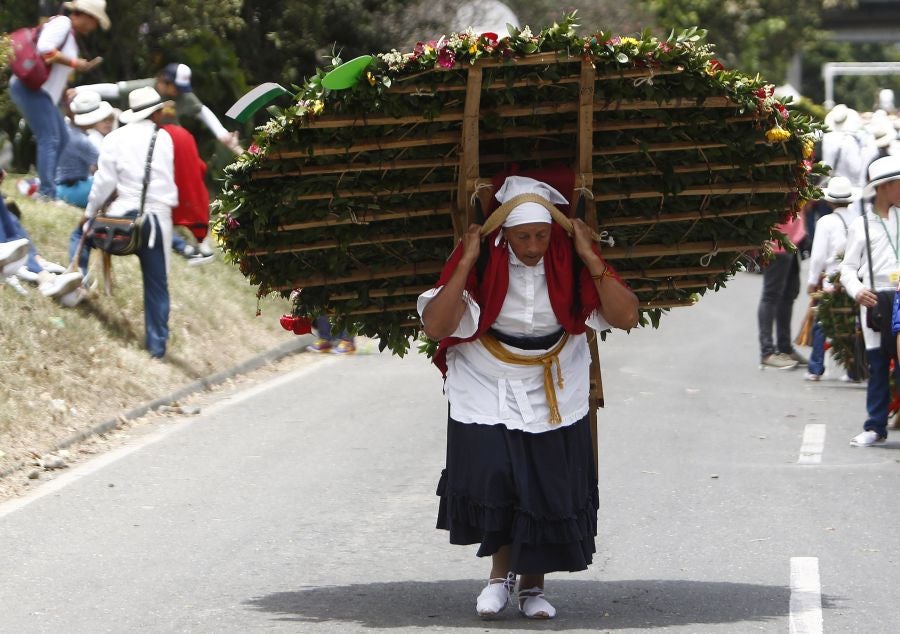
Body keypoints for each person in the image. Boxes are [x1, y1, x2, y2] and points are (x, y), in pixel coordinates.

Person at [417, 175, 639, 620]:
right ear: (505, 234)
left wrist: (588, 255)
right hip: (486, 374)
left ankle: (533, 589)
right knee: (498, 476)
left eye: (541, 235)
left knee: (544, 485)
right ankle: (498, 580)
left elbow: (627, 315)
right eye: (523, 236)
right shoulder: (486, 262)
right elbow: (437, 327)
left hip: (555, 377)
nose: (534, 245)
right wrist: (466, 260)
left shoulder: (567, 260)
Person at [83, 87, 178, 358]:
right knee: (157, 285)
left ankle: (77, 281)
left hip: (120, 219)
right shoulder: (165, 138)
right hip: (157, 220)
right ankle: (157, 347)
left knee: (82, 236)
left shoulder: (114, 138)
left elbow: (104, 182)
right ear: (157, 112)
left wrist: (90, 214)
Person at [8, 0, 110, 201]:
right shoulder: (63, 23)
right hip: (30, 89)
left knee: (62, 137)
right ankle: (47, 193)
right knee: (50, 138)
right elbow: (45, 49)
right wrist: (75, 63)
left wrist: (64, 94)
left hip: (43, 95)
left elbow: (54, 71)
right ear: (85, 16)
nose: (95, 27)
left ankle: (46, 186)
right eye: (95, 21)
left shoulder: (70, 35)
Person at [840, 155, 900, 446]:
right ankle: (875, 427)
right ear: (885, 187)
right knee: (879, 365)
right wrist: (857, 290)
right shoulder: (860, 226)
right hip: (875, 300)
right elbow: (847, 269)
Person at [71, 63, 243, 155]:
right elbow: (113, 89)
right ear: (162, 80)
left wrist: (221, 133)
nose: (177, 92)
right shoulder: (146, 87)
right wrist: (80, 90)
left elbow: (202, 110)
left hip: (169, 143)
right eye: (175, 87)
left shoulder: (182, 95)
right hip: (139, 140)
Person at [804, 177, 862, 380]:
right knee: (854, 324)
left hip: (832, 279)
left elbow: (818, 256)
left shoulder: (825, 222)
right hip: (855, 280)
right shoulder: (859, 220)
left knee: (822, 323)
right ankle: (854, 370)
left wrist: (812, 281)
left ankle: (816, 368)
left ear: (829, 201)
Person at [758, 210, 808, 369]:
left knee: (789, 292)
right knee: (771, 295)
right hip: (777, 243)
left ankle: (785, 348)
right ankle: (767, 352)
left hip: (792, 238)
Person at [56, 91, 111, 208]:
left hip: (58, 185)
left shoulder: (66, 127)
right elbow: (104, 167)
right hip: (74, 190)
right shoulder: (82, 141)